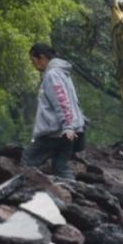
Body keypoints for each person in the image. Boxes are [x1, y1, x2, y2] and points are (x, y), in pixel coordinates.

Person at [22, 43, 86, 179]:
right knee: (60, 166)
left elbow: (62, 102)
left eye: (34, 61)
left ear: (42, 57)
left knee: (27, 159)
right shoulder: (63, 74)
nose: (34, 66)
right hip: (69, 132)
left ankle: (27, 192)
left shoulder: (53, 75)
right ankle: (72, 194)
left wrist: (68, 126)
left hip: (57, 133)